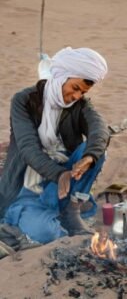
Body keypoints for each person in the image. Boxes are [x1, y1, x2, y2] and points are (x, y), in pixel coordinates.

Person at [0, 47, 110, 245]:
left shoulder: (80, 105)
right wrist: (59, 174)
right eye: (75, 88)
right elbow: (28, 148)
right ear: (61, 76)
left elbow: (99, 129)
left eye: (82, 92)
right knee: (47, 234)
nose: (77, 96)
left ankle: (71, 208)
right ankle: (45, 213)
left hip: (63, 184)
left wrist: (89, 157)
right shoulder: (24, 100)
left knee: (97, 152)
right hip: (29, 189)